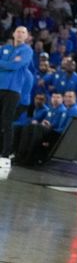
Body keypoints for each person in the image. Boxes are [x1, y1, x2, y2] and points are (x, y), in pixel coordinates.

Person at [0, 26, 34, 167]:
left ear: (26, 36)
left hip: (13, 90)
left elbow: (15, 66)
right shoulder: (5, 48)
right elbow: (11, 64)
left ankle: (5, 153)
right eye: (18, 31)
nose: (20, 34)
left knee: (7, 121)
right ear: (13, 34)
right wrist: (9, 63)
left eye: (23, 32)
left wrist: (6, 64)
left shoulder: (27, 50)